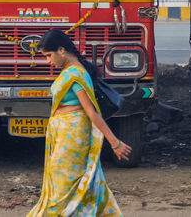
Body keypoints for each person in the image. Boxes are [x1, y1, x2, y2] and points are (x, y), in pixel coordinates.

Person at [27, 29, 129, 217]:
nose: (49, 61)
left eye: (49, 56)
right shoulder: (70, 71)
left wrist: (115, 142)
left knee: (62, 188)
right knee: (70, 185)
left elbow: (92, 112)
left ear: (62, 50)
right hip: (64, 135)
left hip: (73, 138)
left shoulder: (77, 74)